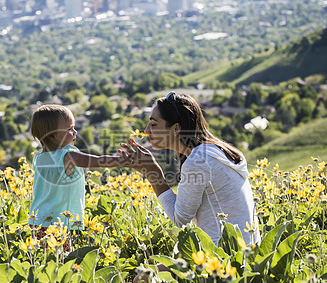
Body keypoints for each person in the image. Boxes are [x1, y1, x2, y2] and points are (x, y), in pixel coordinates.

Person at [120, 92, 260, 246]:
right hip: (247, 249)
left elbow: (179, 219)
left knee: (152, 269)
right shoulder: (214, 151)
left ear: (176, 128)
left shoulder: (198, 161)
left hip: (227, 257)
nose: (146, 130)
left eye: (153, 124)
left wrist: (151, 171)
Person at [29, 104, 126, 232]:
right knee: (65, 252)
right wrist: (121, 160)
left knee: (42, 252)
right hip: (60, 224)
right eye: (70, 129)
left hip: (37, 220)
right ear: (52, 136)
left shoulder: (38, 157)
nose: (75, 132)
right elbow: (97, 161)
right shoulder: (68, 157)